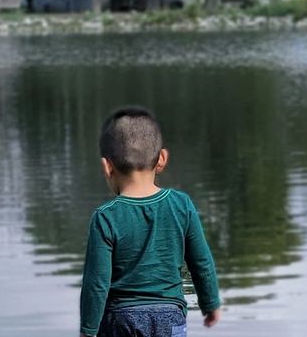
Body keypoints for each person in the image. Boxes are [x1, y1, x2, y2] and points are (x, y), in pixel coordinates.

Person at [80, 107, 222, 337]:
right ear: (162, 159)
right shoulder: (181, 205)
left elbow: (96, 283)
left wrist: (88, 331)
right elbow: (201, 262)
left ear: (107, 167)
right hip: (170, 314)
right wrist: (211, 303)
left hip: (121, 318)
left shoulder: (105, 216)